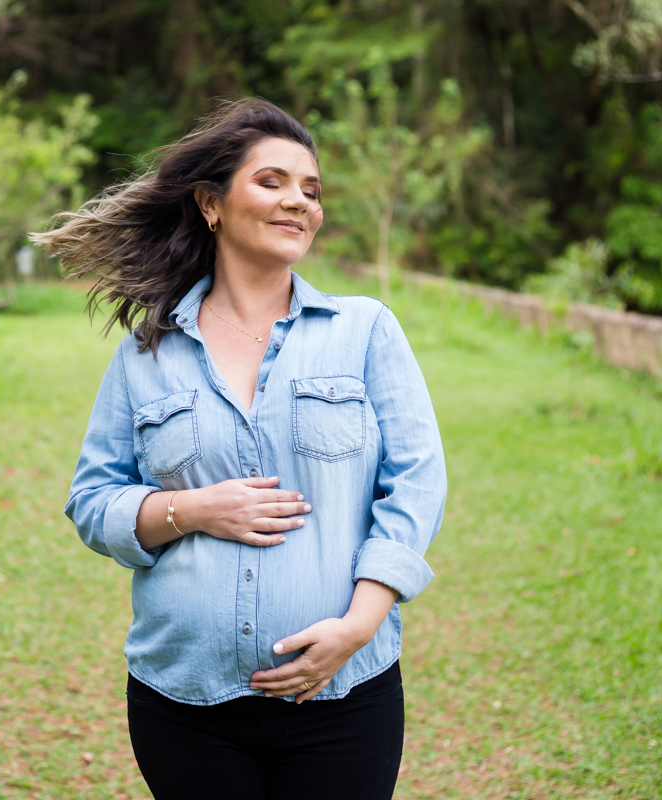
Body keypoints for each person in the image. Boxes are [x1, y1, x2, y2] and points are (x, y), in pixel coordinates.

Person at [33, 98, 446, 800]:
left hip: (346, 698)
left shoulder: (365, 329)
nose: (299, 203)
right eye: (273, 182)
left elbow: (416, 483)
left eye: (311, 191)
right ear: (210, 204)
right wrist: (188, 508)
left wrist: (359, 624)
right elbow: (92, 500)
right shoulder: (146, 354)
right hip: (185, 702)